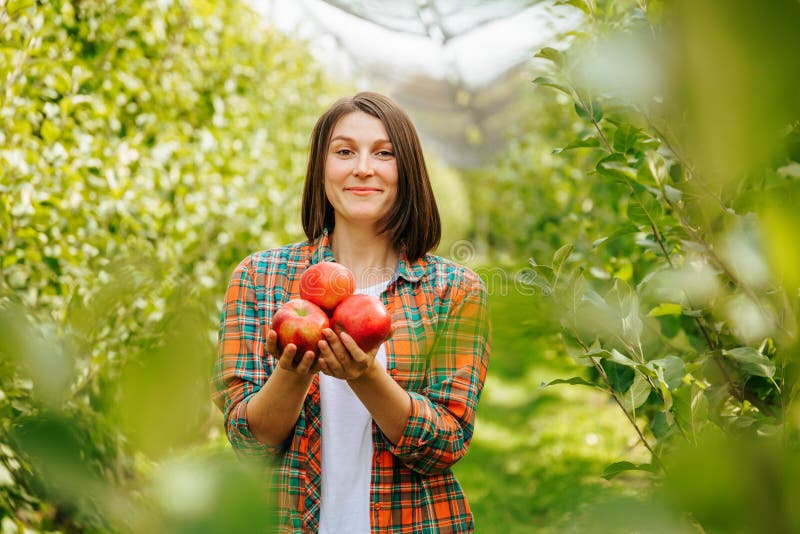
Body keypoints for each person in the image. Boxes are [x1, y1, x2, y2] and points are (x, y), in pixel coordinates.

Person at [213, 91, 491, 533]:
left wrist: (365, 376)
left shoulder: (454, 292)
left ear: (409, 172)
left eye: (384, 153)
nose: (363, 167)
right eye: (344, 151)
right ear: (321, 169)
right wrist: (294, 372)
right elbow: (249, 443)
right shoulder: (258, 279)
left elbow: (445, 444)